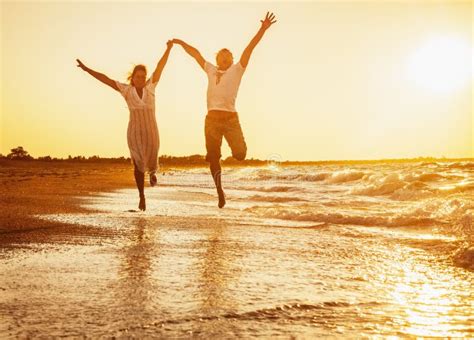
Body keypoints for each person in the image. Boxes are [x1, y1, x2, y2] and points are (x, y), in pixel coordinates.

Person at [173, 12, 277, 208]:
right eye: (221, 55)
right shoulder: (210, 70)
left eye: (228, 55)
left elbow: (250, 48)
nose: (224, 57)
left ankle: (228, 153)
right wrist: (180, 42)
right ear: (217, 59)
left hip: (230, 120)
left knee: (240, 155)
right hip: (211, 120)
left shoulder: (237, 70)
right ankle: (220, 191)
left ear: (232, 59)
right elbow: (196, 54)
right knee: (213, 158)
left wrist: (262, 29)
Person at [76, 41, 173, 211]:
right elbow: (105, 79)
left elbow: (160, 66)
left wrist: (168, 49)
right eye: (138, 77)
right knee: (137, 163)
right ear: (132, 78)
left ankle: (152, 172)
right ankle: (141, 196)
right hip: (134, 131)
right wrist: (87, 69)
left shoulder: (151, 87)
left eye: (143, 77)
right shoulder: (126, 90)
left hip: (151, 131)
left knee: (150, 158)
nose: (141, 79)